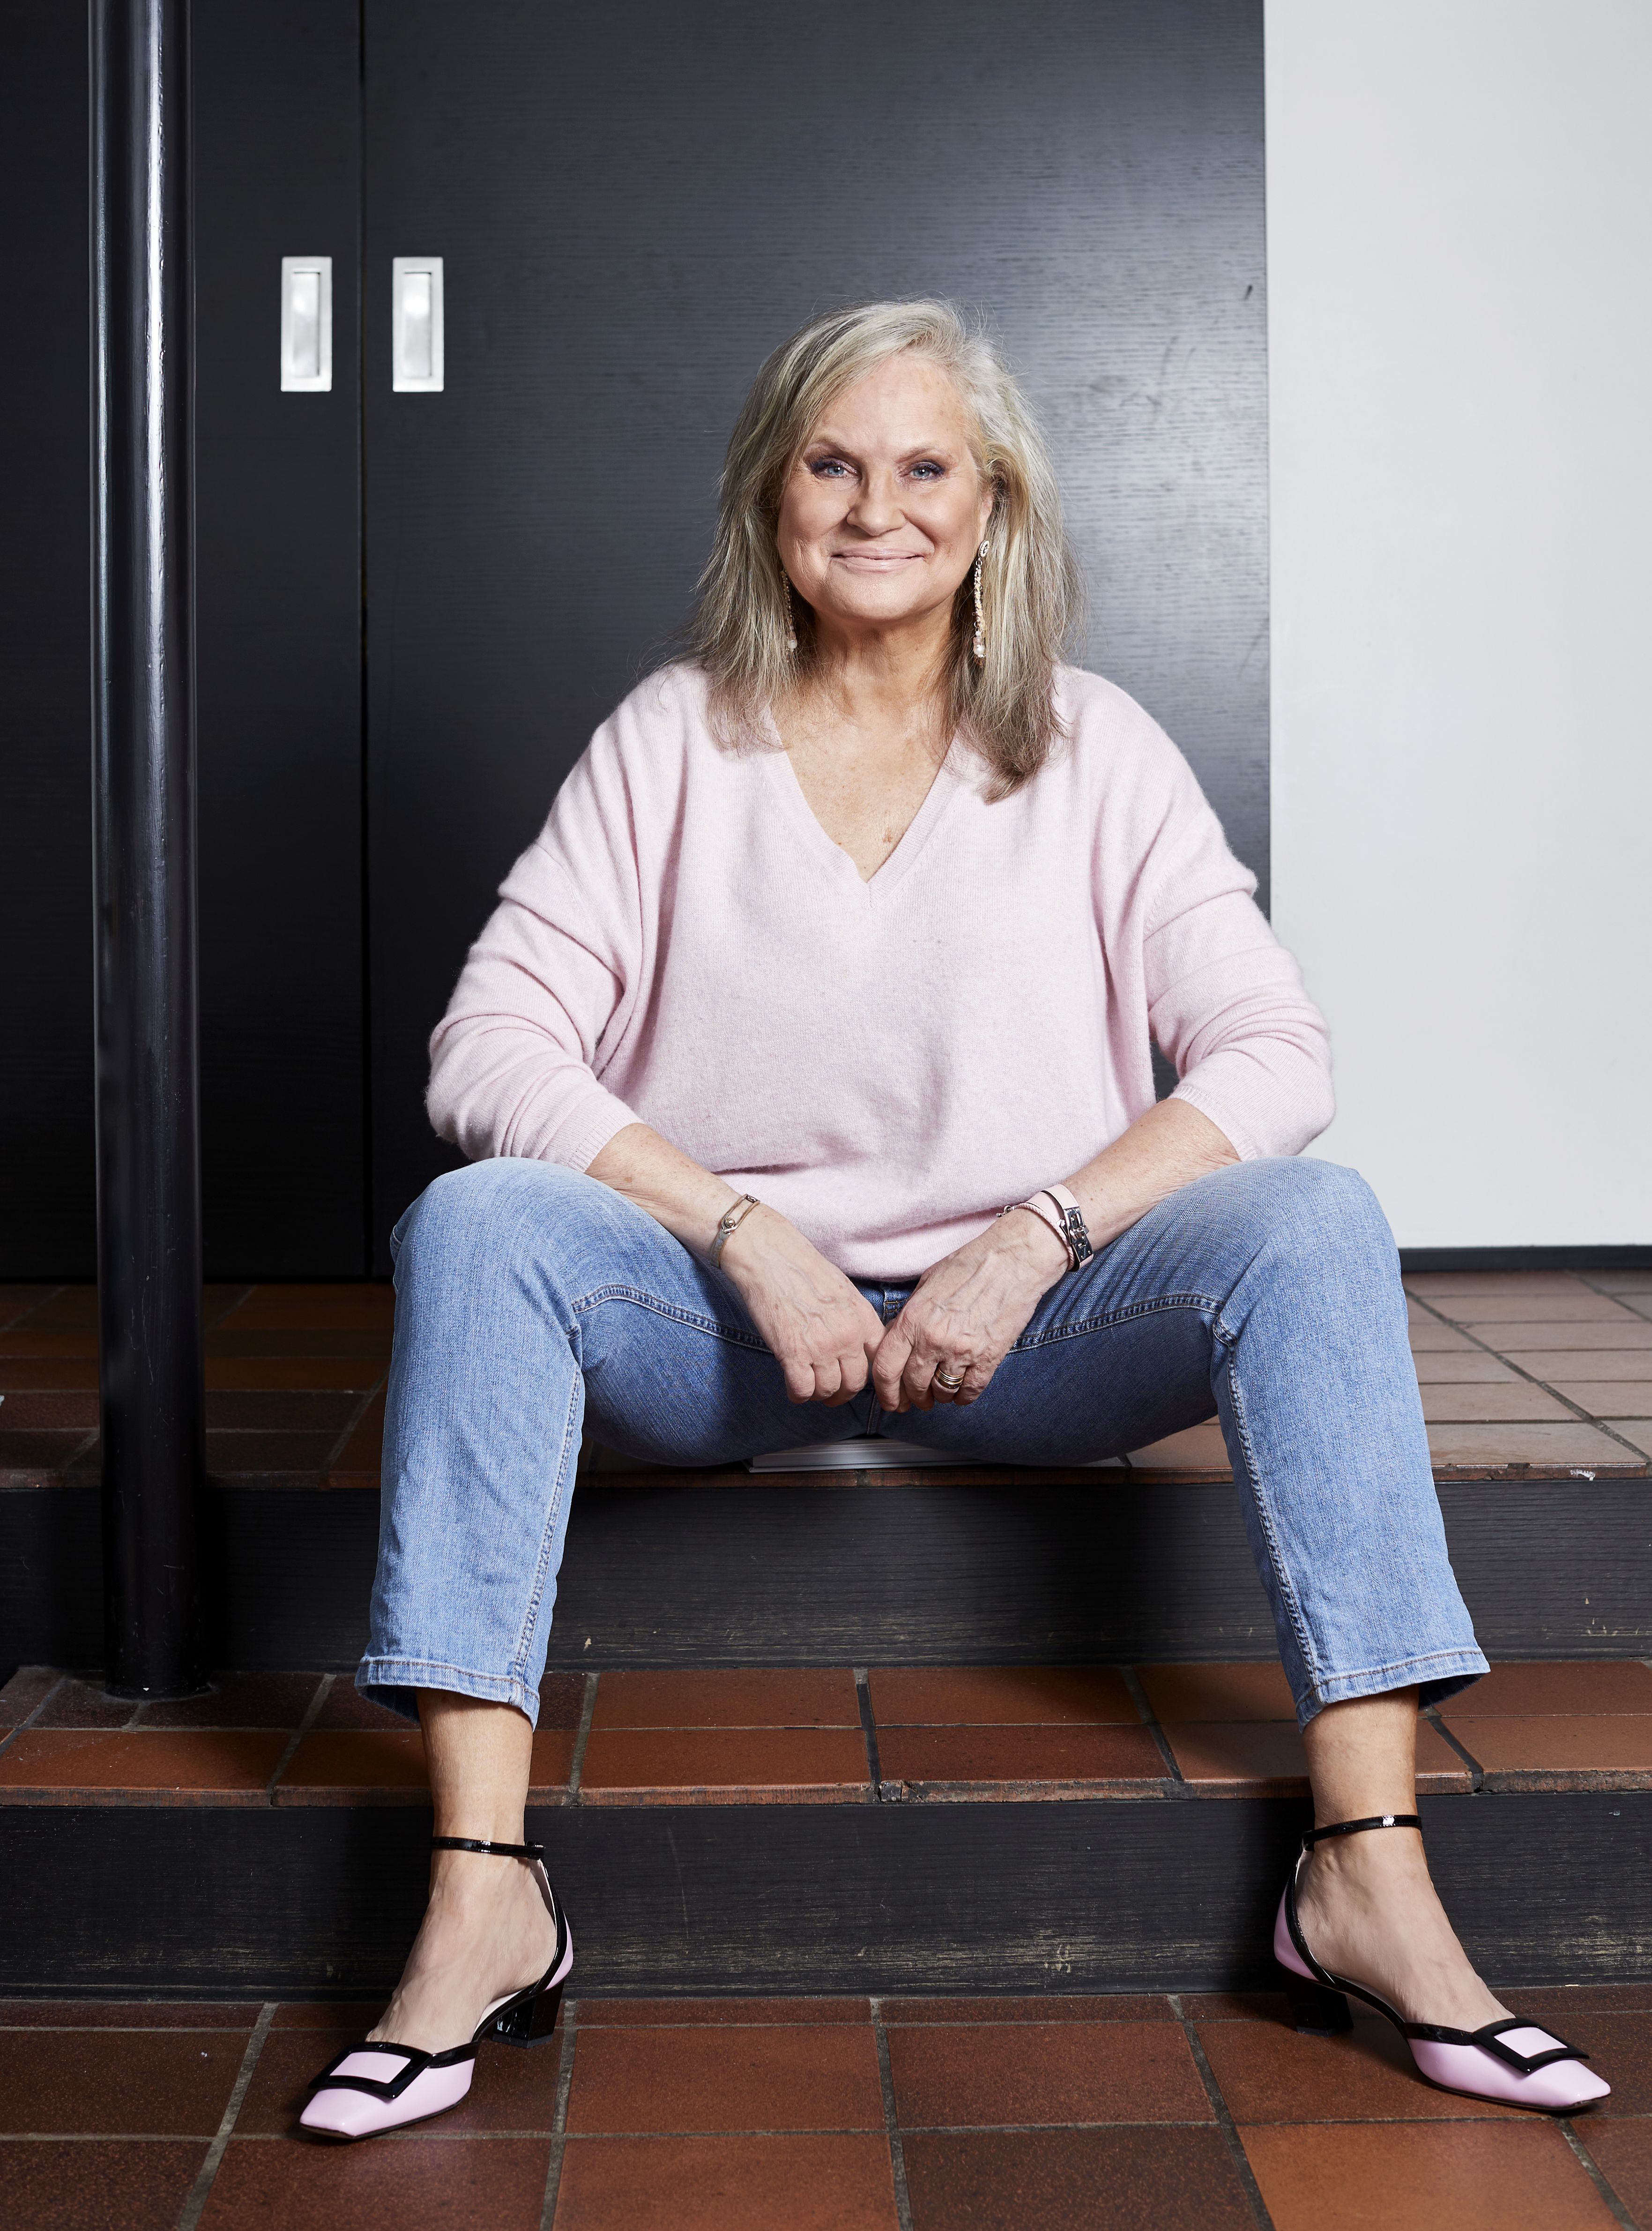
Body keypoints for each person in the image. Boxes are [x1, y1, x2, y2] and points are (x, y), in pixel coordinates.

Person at [302, 300, 1607, 2138]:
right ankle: (480, 1890)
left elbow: (1277, 1051)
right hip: (728, 1335)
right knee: (473, 1224)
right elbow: (487, 1046)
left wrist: (1040, 1235)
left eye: (926, 467)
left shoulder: (1097, 748)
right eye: (832, 463)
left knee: (1316, 1217)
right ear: (770, 497)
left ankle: (1368, 1868)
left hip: (1034, 1335)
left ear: (993, 508)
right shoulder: (671, 740)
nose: (877, 506)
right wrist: (744, 1233)